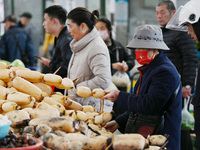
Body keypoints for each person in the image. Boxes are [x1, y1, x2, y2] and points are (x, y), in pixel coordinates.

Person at [102, 25, 182, 150]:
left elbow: (150, 104)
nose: (139, 51)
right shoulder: (149, 67)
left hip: (160, 138)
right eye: (137, 47)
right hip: (145, 133)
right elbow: (137, 102)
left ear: (156, 48)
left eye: (143, 47)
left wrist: (120, 96)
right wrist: (119, 122)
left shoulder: (165, 72)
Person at [156, 1, 198, 150]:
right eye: (157, 13)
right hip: (167, 87)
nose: (159, 16)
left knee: (179, 125)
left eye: (162, 12)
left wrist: (187, 84)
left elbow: (191, 58)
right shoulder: (163, 33)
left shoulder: (182, 33)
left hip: (179, 87)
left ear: (173, 13)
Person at [66, 7, 114, 112]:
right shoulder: (81, 44)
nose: (69, 31)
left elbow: (103, 79)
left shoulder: (96, 47)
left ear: (82, 26)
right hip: (81, 104)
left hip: (92, 108)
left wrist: (77, 88)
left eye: (70, 26)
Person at [95, 18, 135, 118]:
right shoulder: (95, 47)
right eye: (97, 29)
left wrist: (127, 66)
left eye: (102, 28)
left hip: (119, 85)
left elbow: (130, 58)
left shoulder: (118, 46)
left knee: (119, 111)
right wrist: (112, 66)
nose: (100, 31)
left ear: (109, 30)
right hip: (103, 86)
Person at [39, 5, 72, 83]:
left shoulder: (66, 40)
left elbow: (66, 68)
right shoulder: (59, 38)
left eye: (45, 20)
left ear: (54, 21)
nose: (43, 24)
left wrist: (50, 64)